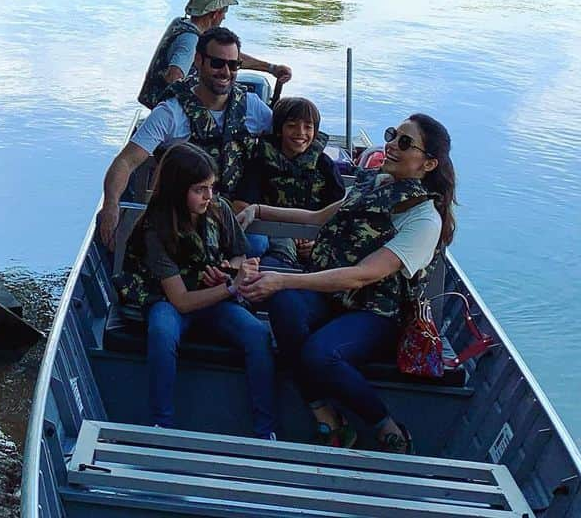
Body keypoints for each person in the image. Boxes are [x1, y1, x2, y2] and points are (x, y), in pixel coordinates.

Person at [239, 114, 456, 454]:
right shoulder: (375, 184)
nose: (390, 145)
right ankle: (322, 410)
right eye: (391, 135)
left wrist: (282, 279)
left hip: (377, 314)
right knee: (285, 303)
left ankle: (386, 426)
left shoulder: (424, 218)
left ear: (428, 163)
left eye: (403, 142)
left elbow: (364, 274)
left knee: (319, 354)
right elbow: (317, 217)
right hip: (335, 298)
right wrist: (257, 209)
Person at [113, 141, 276, 438]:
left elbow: (239, 253)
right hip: (169, 299)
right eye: (200, 189)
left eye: (211, 187)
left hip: (214, 297)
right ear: (178, 189)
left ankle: (265, 430)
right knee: (162, 332)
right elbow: (181, 300)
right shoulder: (155, 228)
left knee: (257, 335)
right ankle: (162, 424)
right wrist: (231, 286)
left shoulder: (219, 210)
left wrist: (228, 268)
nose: (209, 196)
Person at [99, 26, 272, 250]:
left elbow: (288, 147)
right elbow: (126, 161)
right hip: (180, 215)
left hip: (235, 211)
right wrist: (111, 205)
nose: (226, 72)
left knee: (257, 245)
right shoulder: (171, 112)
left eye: (233, 65)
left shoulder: (252, 106)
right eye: (218, 63)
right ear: (198, 61)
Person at [138, 0, 292, 110]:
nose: (224, 17)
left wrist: (271, 68)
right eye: (224, 11)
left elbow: (227, 57)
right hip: (168, 108)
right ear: (215, 14)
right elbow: (174, 77)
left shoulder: (183, 23)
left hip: (157, 101)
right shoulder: (190, 40)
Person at [231, 96, 346, 266]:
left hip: (311, 237)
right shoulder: (260, 160)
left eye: (308, 127)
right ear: (279, 129)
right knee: (257, 246)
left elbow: (339, 212)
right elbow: (241, 205)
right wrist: (288, 231)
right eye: (292, 126)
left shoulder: (324, 164)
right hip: (268, 233)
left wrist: (317, 242)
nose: (300, 133)